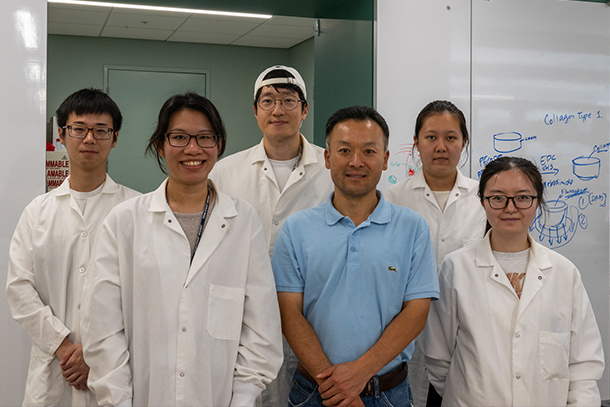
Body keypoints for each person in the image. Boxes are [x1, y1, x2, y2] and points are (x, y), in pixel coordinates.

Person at [80, 92, 283, 407]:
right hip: (142, 398)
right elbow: (102, 325)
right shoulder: (125, 221)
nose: (193, 149)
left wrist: (243, 396)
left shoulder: (243, 222)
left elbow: (262, 327)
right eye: (179, 137)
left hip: (221, 398)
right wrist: (117, 398)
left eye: (205, 137)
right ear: (160, 145)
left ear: (218, 145)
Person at [272, 106, 439, 407]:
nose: (356, 162)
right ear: (327, 157)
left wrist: (361, 371)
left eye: (369, 152)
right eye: (344, 150)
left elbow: (416, 312)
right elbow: (288, 312)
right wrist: (339, 388)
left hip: (390, 393)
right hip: (314, 392)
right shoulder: (296, 229)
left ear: (386, 159)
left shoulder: (412, 228)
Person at [421, 156, 604, 406]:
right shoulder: (455, 269)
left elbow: (584, 365)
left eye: (522, 197)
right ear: (483, 202)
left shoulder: (564, 272)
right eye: (497, 198)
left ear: (538, 202)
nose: (510, 208)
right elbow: (438, 357)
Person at [6, 88, 140, 407]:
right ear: (62, 135)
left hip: (113, 369)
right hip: (53, 370)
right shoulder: (37, 211)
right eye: (79, 129)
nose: (89, 139)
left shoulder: (136, 209)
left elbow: (143, 294)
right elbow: (19, 289)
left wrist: (93, 350)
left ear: (115, 138)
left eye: (101, 130)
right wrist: (64, 347)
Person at [209, 65, 333, 406]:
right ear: (255, 110)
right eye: (268, 101)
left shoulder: (331, 168)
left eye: (289, 100)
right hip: (244, 319)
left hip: (314, 318)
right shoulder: (224, 172)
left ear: (305, 110)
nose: (278, 109)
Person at [384, 100, 486, 406]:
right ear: (416, 143)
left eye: (451, 137)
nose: (441, 146)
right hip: (404, 330)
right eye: (431, 137)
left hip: (468, 329)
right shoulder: (392, 199)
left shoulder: (484, 200)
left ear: (464, 142)